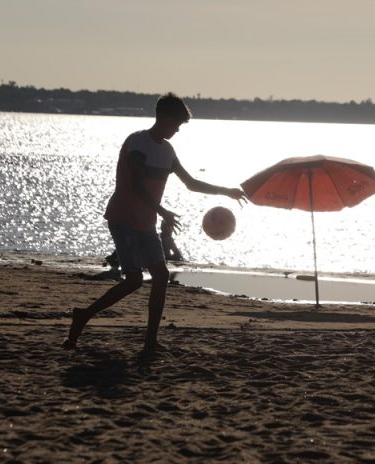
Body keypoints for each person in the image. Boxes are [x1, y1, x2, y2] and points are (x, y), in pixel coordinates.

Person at [63, 93, 246, 357]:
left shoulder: (167, 151)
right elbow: (136, 186)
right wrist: (163, 211)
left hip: (146, 223)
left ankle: (150, 341)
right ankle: (83, 316)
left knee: (161, 276)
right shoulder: (138, 143)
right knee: (134, 280)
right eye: (176, 123)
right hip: (123, 218)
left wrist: (227, 191)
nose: (177, 129)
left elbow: (191, 183)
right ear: (163, 116)